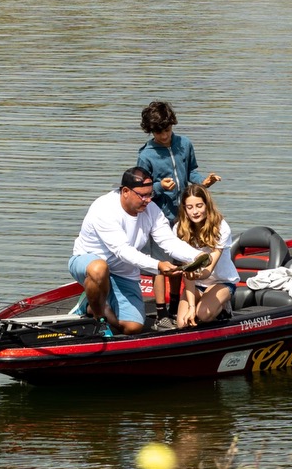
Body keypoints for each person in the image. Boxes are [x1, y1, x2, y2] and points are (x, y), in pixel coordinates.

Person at [70, 168, 205, 334]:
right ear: (125, 191)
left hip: (123, 272)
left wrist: (197, 256)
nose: (148, 200)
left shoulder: (152, 210)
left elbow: (168, 241)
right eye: (143, 195)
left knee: (133, 327)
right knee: (99, 268)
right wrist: (158, 265)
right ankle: (100, 320)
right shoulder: (104, 209)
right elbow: (123, 251)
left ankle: (92, 305)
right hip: (87, 263)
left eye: (150, 194)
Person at [136, 101, 218, 222]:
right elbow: (141, 190)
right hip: (160, 216)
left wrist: (203, 182)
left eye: (167, 130)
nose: (164, 136)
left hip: (185, 212)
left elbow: (190, 171)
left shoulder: (184, 144)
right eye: (159, 132)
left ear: (172, 124)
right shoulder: (146, 156)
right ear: (151, 131)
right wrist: (160, 186)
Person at [172, 183, 237, 328]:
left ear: (207, 205)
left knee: (203, 314)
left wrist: (196, 275)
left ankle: (223, 308)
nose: (195, 211)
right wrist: (191, 307)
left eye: (199, 206)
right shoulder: (178, 229)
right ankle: (201, 303)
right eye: (190, 207)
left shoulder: (221, 227)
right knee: (182, 324)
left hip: (221, 281)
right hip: (196, 284)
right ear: (184, 209)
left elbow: (209, 268)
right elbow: (187, 270)